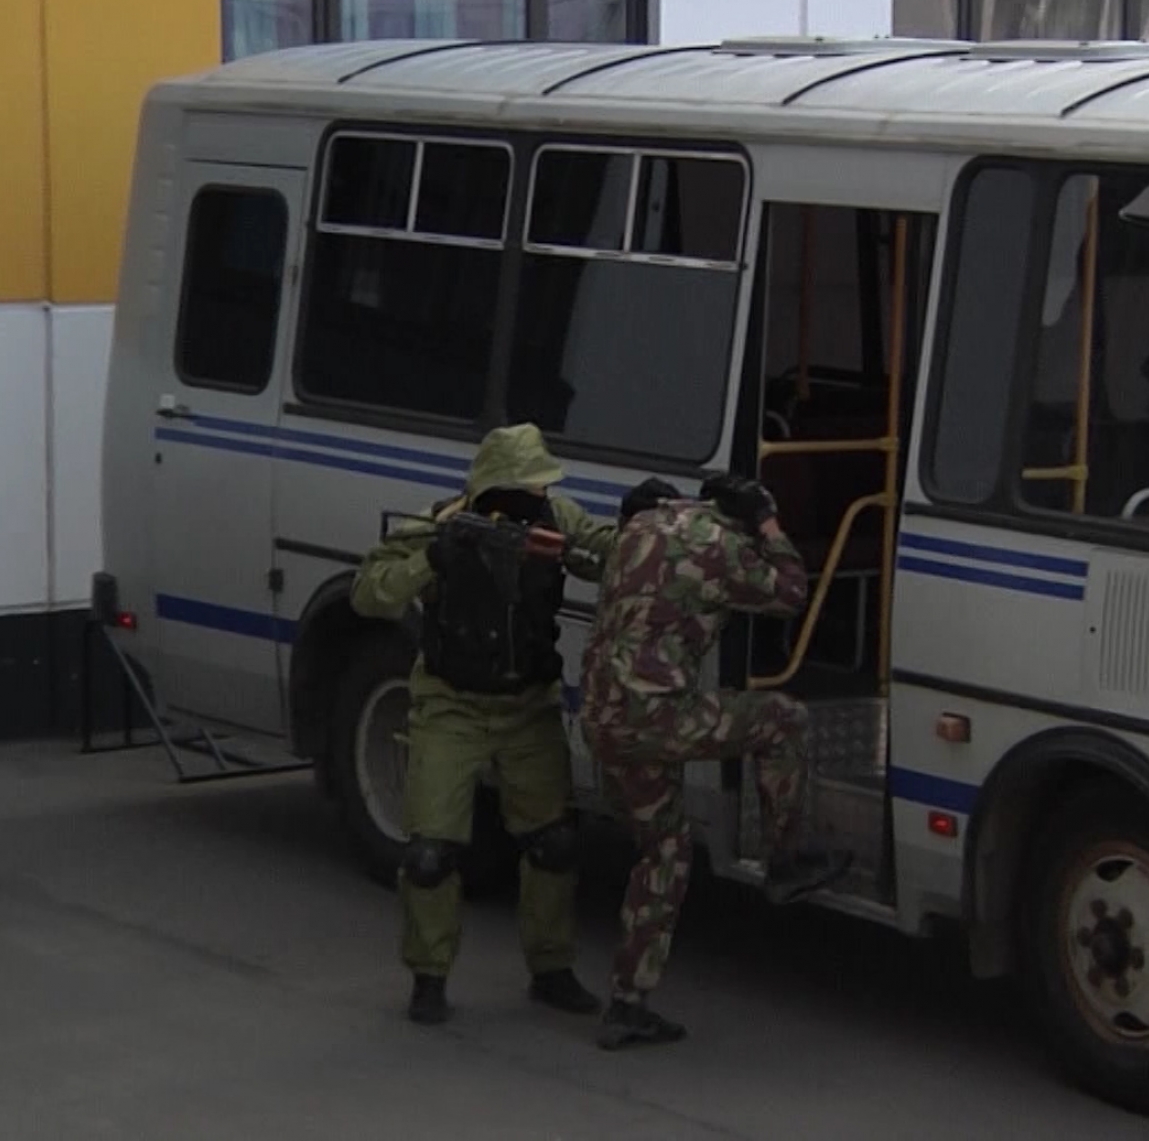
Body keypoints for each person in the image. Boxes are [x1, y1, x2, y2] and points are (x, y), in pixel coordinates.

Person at [350, 423, 617, 1026]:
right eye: (522, 489)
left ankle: (551, 968)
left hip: (527, 703)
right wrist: (433, 559)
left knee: (554, 842)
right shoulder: (442, 521)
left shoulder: (557, 514)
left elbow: (606, 551)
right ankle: (428, 976)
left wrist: (648, 524)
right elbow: (369, 594)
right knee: (429, 853)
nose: (532, 500)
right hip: (451, 704)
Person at [579, 472, 854, 1051]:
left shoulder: (642, 528)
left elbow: (597, 558)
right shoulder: (722, 547)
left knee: (665, 849)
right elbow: (791, 591)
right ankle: (785, 858)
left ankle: (627, 1006)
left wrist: (631, 515)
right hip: (657, 719)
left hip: (604, 720)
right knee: (784, 720)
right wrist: (770, 522)